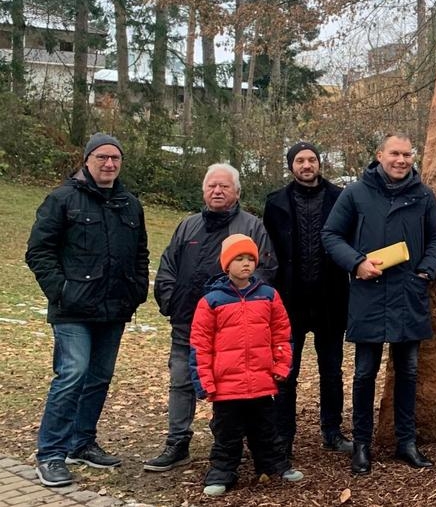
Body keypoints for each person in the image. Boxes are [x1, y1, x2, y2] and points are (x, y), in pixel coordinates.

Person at [25, 133, 149, 487]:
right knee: (72, 374)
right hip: (73, 310)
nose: (109, 164)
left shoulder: (130, 204)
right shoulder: (62, 199)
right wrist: (62, 291)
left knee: (98, 378)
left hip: (114, 308)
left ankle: (81, 443)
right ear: (87, 160)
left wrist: (136, 290)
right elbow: (39, 251)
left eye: (115, 158)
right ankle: (51, 453)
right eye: (102, 157)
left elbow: (140, 253)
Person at [322, 133, 436, 475]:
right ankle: (362, 444)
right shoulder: (355, 193)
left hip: (409, 293)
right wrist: (356, 263)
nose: (401, 160)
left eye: (407, 154)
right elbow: (331, 235)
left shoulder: (423, 195)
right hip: (370, 294)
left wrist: (426, 269)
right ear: (380, 155)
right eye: (395, 153)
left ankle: (406, 442)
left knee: (408, 371)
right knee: (365, 373)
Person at [146, 163, 276, 472]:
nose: (217, 191)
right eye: (212, 186)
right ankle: (177, 442)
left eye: (224, 186)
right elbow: (167, 267)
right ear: (204, 190)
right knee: (181, 382)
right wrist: (171, 302)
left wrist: (240, 308)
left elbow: (265, 271)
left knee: (231, 387)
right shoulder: (188, 226)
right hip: (188, 322)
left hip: (233, 328)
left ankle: (229, 445)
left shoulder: (251, 227)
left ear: (237, 192)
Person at [190, 234, 303, 497]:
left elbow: (282, 334)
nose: (246, 264)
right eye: (239, 259)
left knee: (266, 429)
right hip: (226, 386)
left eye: (250, 259)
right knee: (226, 434)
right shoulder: (211, 301)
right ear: (226, 264)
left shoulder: (268, 296)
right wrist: (204, 381)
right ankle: (222, 472)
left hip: (261, 382)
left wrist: (281, 366)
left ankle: (275, 466)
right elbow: (200, 345)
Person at [263, 142, 352, 457]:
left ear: (319, 163)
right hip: (290, 302)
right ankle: (282, 435)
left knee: (332, 370)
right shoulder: (275, 203)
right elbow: (268, 252)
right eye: (299, 160)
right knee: (286, 372)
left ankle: (332, 431)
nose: (306, 165)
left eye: (311, 159)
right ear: (291, 166)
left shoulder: (340, 198)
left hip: (331, 299)